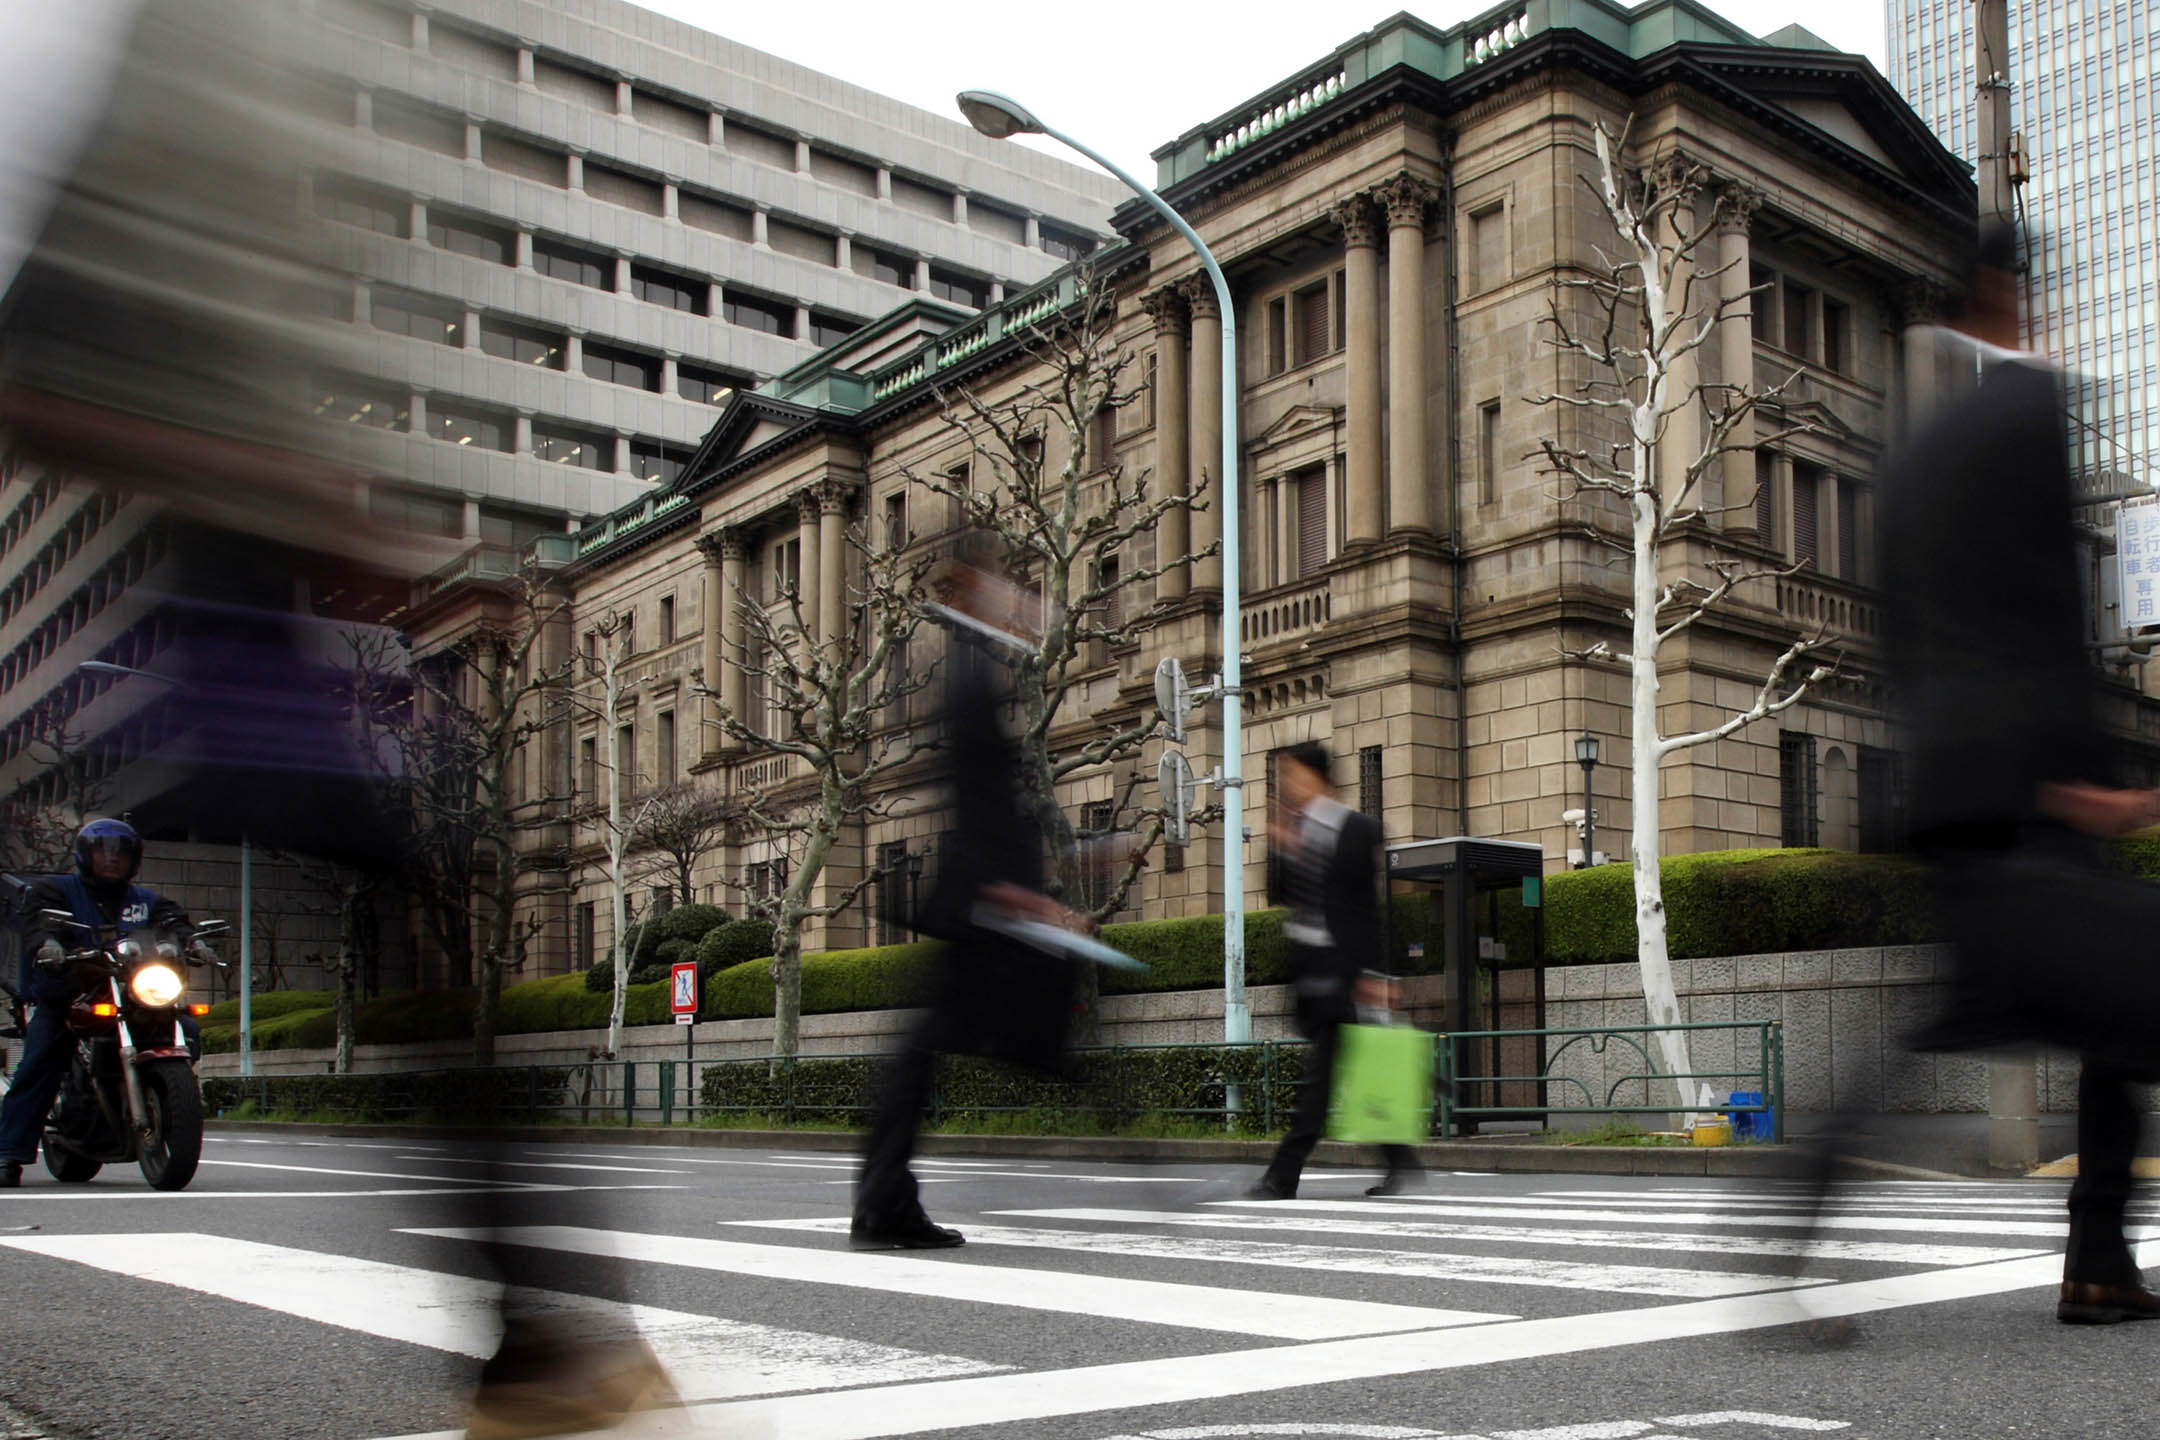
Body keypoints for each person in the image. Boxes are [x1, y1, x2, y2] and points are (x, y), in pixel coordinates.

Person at [1878, 221, 2160, 1323]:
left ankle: (2097, 1260)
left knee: (2076, 1023)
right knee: (2122, 1016)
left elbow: (1909, 635)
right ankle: (2095, 1260)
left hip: (1955, 782)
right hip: (2033, 778)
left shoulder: (1911, 456)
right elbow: (2052, 615)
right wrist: (2083, 777)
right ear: (2003, 291)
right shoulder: (2027, 411)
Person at [852, 533, 1092, 1249]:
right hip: (979, 902)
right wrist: (1019, 895)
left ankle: (884, 1203)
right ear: (968, 587)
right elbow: (979, 799)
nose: (1021, 600)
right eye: (1007, 585)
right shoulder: (967, 672)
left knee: (922, 1052)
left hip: (978, 899)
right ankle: (884, 1204)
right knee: (930, 1051)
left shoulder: (975, 667)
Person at [1246, 741, 1420, 1201]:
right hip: (1312, 974)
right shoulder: (1293, 832)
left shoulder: (1358, 830)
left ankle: (1283, 1175)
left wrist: (1374, 974)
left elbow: (1370, 910)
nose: (1287, 786)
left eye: (1294, 776)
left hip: (1347, 975)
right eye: (1282, 778)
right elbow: (1285, 897)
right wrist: (1282, 846)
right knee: (1346, 1072)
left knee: (1321, 1078)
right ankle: (1400, 1155)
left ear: (1319, 777)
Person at [0, 818, 195, 1187]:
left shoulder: (146, 901)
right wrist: (49, 944)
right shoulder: (55, 891)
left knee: (188, 1029)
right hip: (70, 993)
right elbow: (39, 923)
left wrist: (194, 942)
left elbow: (174, 922)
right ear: (85, 855)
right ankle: (8, 1154)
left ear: (134, 860)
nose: (112, 860)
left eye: (121, 854)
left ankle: (170, 1103)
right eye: (103, 852)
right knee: (40, 1061)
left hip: (134, 991)